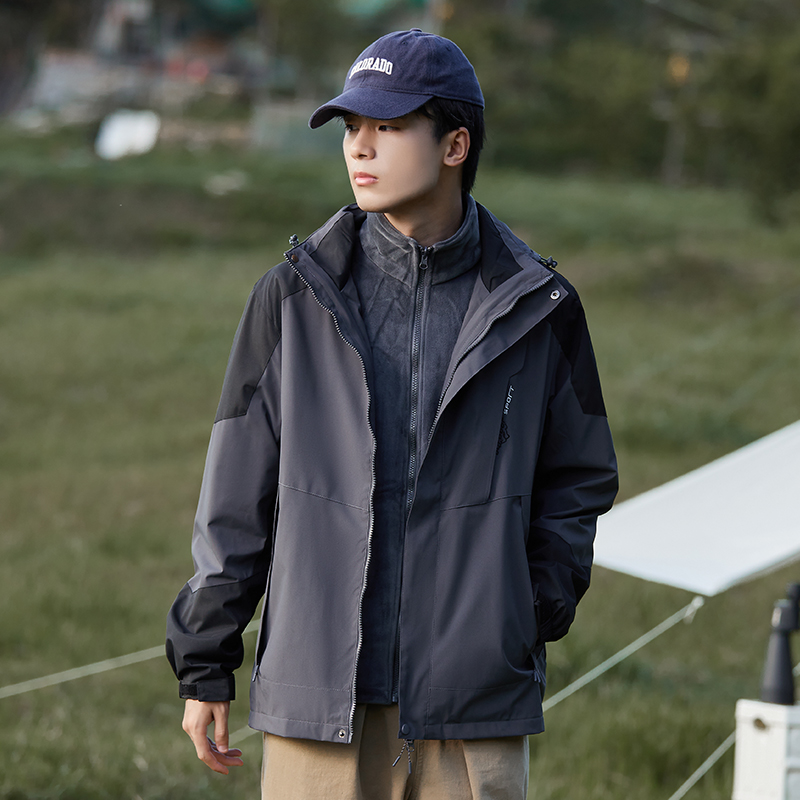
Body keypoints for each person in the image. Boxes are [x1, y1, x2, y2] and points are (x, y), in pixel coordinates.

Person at [166, 28, 618, 799]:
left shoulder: (541, 309)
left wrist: (526, 609)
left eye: (389, 125)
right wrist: (205, 661)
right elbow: (235, 496)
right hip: (317, 709)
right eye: (352, 126)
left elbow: (579, 478)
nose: (360, 147)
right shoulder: (292, 299)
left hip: (474, 709)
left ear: (455, 145)